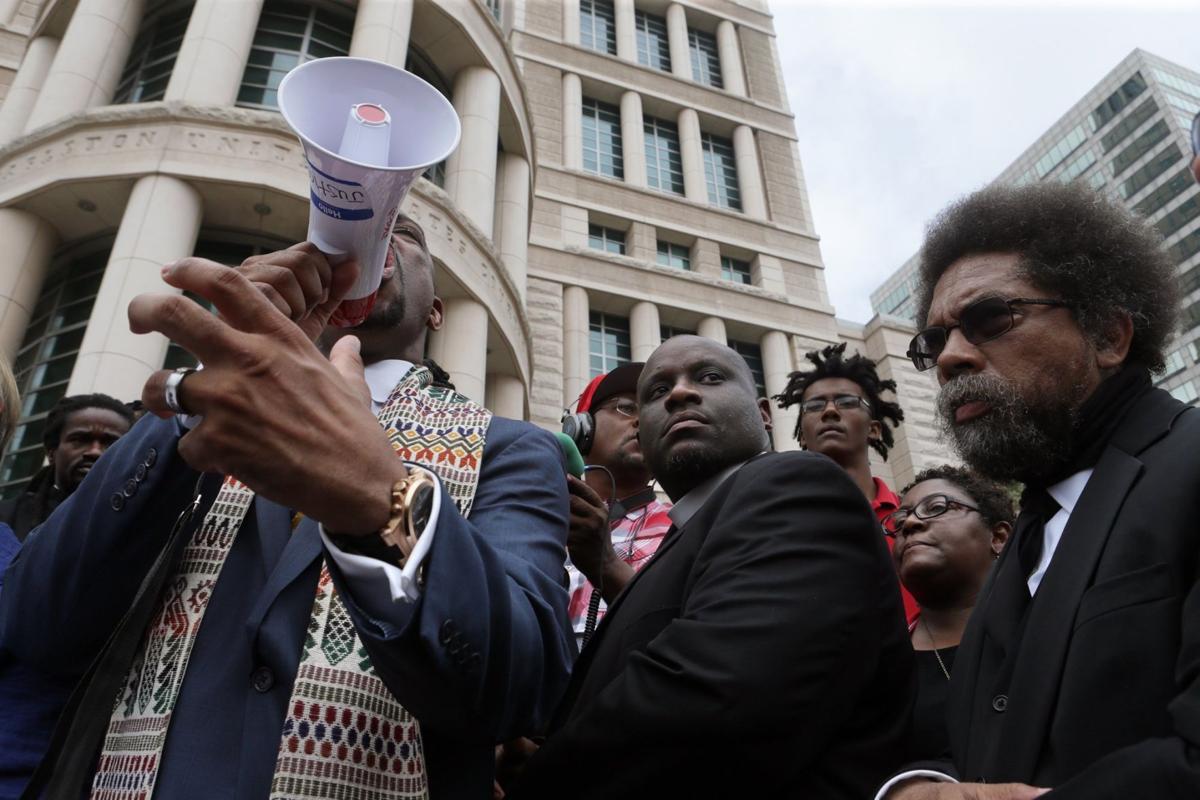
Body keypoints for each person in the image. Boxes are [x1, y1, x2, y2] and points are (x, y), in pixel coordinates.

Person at [0, 214, 574, 799]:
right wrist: (204, 387)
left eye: (400, 234)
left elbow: (521, 686)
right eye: (346, 226)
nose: (373, 239)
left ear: (436, 312)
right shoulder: (195, 426)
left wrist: (384, 502)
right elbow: (35, 621)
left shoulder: (512, 449)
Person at [880, 182, 1200, 799]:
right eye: (934, 342)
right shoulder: (1024, 537)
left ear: (1108, 335)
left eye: (989, 319)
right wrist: (916, 786)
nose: (949, 358)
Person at [513, 334, 914, 799]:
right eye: (658, 391)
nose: (680, 393)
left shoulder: (797, 485)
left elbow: (712, 701)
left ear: (764, 414)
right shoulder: (686, 536)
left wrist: (536, 776)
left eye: (708, 377)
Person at [775, 341, 918, 622]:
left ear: (874, 430)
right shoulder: (776, 522)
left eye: (847, 402)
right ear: (802, 435)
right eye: (815, 405)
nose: (829, 411)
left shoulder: (913, 520)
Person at [883, 466, 1013, 760]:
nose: (910, 523)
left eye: (936, 508)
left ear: (999, 537)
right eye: (899, 521)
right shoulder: (883, 665)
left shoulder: (1050, 626)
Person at [562, 363, 673, 648]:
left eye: (650, 413)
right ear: (581, 428)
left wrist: (607, 565)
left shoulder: (684, 528)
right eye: (626, 407)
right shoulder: (541, 516)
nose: (642, 422)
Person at [0, 393, 133, 542]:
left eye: (112, 443)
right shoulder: (5, 519)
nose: (95, 451)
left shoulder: (143, 526)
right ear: (52, 453)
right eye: (80, 440)